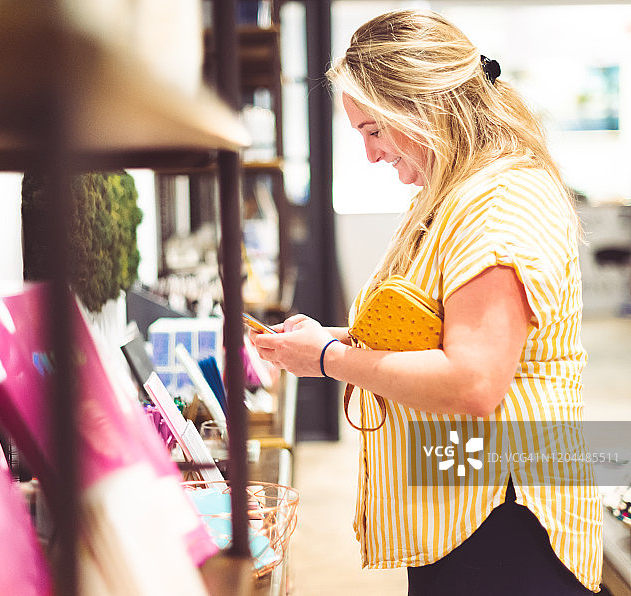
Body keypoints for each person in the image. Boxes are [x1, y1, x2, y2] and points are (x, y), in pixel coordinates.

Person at [250, 9, 602, 595]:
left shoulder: (498, 203)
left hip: (508, 507)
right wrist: (333, 341)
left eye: (373, 131)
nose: (369, 154)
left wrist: (329, 359)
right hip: (469, 488)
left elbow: (472, 381)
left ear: (423, 107)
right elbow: (436, 334)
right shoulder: (458, 191)